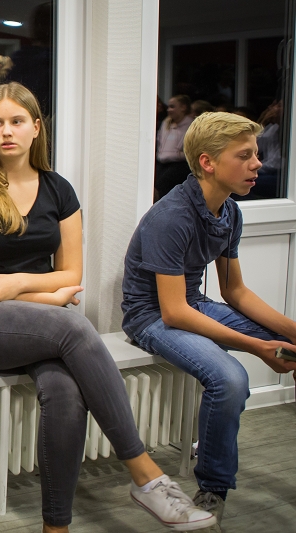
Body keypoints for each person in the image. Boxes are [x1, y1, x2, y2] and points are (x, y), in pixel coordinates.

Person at [0, 83, 217, 533]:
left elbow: (71, 274)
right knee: (75, 327)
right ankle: (145, 474)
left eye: (16, 121)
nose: (6, 131)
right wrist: (49, 295)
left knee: (66, 393)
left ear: (36, 127)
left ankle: (57, 527)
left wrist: (20, 283)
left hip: (39, 320)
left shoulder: (59, 189)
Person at [122, 111, 296, 532]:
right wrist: (257, 347)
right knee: (231, 379)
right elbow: (172, 312)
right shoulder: (172, 216)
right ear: (208, 162)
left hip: (193, 303)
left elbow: (235, 291)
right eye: (245, 155)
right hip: (151, 316)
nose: (258, 164)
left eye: (256, 154)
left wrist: (291, 331)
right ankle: (213, 488)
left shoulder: (229, 212)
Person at [155, 95, 194, 199]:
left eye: (172, 107)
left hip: (179, 165)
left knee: (162, 186)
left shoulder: (191, 126)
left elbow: (191, 149)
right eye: (168, 107)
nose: (168, 110)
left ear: (183, 107)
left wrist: (177, 155)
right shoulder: (166, 123)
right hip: (162, 162)